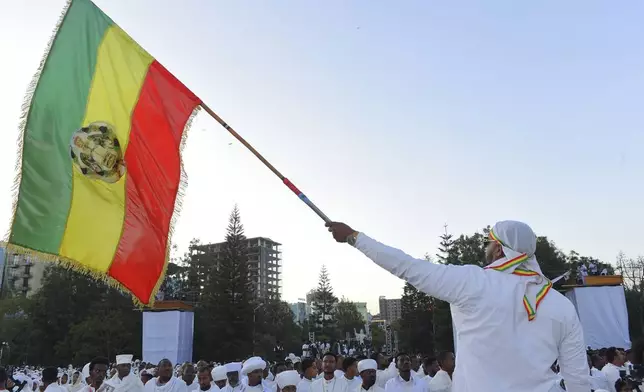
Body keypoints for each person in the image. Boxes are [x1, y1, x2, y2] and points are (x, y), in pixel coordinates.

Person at [327, 220, 590, 392]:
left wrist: (354, 237)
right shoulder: (560, 304)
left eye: (489, 243)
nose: (487, 248)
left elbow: (407, 267)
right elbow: (578, 380)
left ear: (498, 250)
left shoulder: (473, 283)